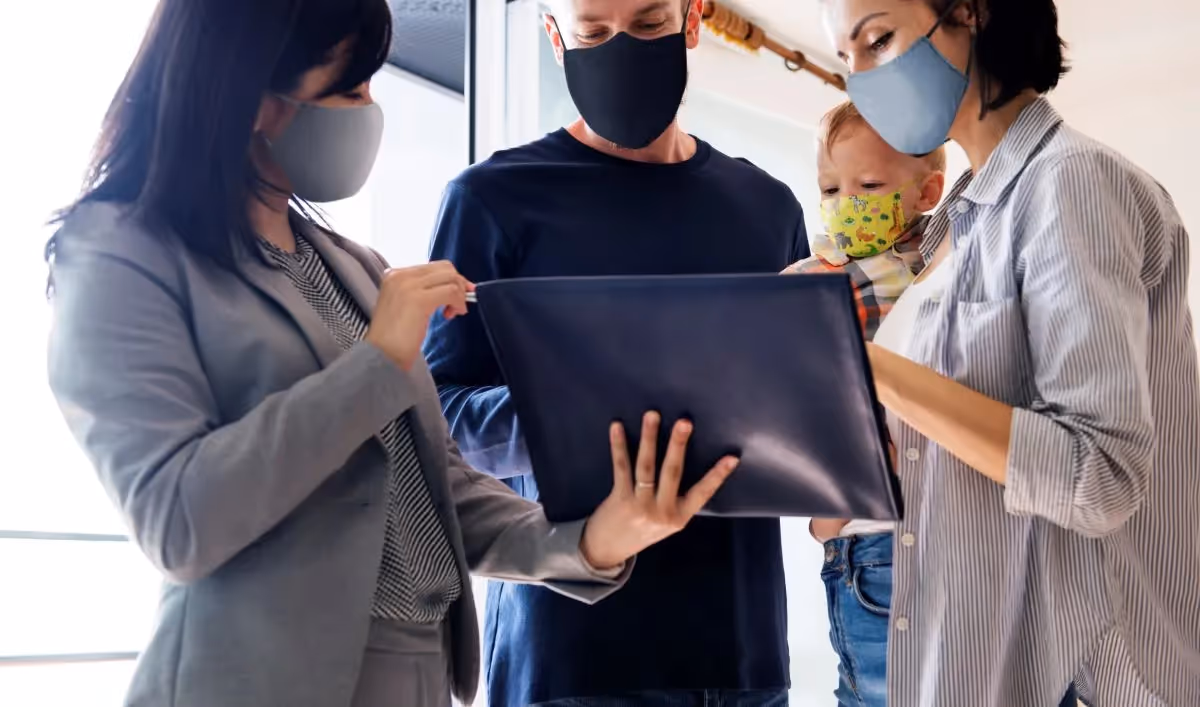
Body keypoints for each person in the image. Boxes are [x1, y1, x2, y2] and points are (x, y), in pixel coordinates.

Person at [43, 1, 740, 706]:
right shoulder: (116, 250)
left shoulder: (351, 265)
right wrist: (377, 362)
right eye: (349, 89)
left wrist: (593, 541)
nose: (369, 112)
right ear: (252, 95)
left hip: (418, 674)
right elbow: (177, 521)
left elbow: (437, 485)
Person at [422, 0, 808, 703]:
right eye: (593, 33)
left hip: (743, 657)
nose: (620, 49)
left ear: (693, 20)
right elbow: (438, 422)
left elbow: (800, 414)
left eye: (650, 24)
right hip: (572, 655)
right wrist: (588, 406)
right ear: (554, 37)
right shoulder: (491, 201)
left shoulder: (769, 207)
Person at [820, 0, 1200, 705]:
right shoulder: (959, 221)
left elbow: (1099, 474)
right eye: (847, 63)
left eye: (877, 41)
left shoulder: (1069, 181)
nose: (862, 83)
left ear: (972, 13)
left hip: (1085, 674)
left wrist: (858, 362)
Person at [784, 99, 945, 707]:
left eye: (869, 185)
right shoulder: (807, 283)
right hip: (870, 534)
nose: (844, 200)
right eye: (830, 186)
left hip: (956, 521)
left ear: (927, 191)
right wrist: (827, 513)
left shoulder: (953, 264)